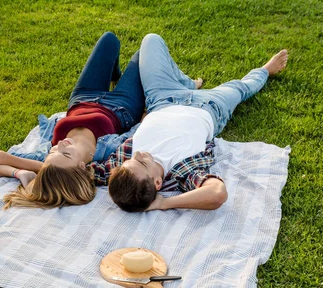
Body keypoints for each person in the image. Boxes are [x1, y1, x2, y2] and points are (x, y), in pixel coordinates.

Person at [91, 33, 288, 212]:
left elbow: (81, 172)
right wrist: (164, 203)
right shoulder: (181, 170)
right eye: (142, 161)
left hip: (162, 98)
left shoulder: (123, 164)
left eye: (132, 159)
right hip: (210, 107)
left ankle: (187, 84)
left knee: (151, 40)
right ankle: (265, 71)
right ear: (158, 182)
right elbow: (217, 194)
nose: (139, 154)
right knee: (240, 88)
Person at [0, 32, 151, 208]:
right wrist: (145, 118)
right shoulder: (107, 156)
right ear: (83, 167)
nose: (60, 145)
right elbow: (139, 134)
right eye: (66, 154)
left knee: (109, 40)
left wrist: (21, 172)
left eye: (53, 153)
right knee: (145, 52)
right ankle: (123, 83)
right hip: (122, 106)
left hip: (83, 98)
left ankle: (114, 75)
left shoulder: (46, 157)